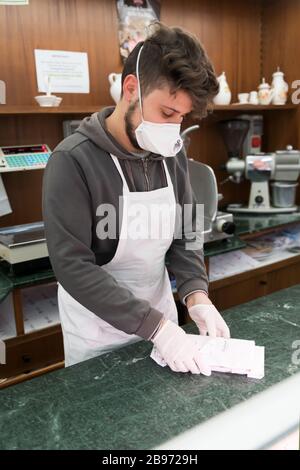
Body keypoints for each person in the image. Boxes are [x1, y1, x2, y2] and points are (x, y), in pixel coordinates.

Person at [42, 22, 230, 373]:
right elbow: (72, 266)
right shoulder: (72, 161)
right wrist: (155, 327)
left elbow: (186, 231)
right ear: (132, 88)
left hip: (166, 328)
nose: (173, 128)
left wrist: (195, 293)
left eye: (182, 117)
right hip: (98, 335)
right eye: (166, 113)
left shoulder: (170, 154)